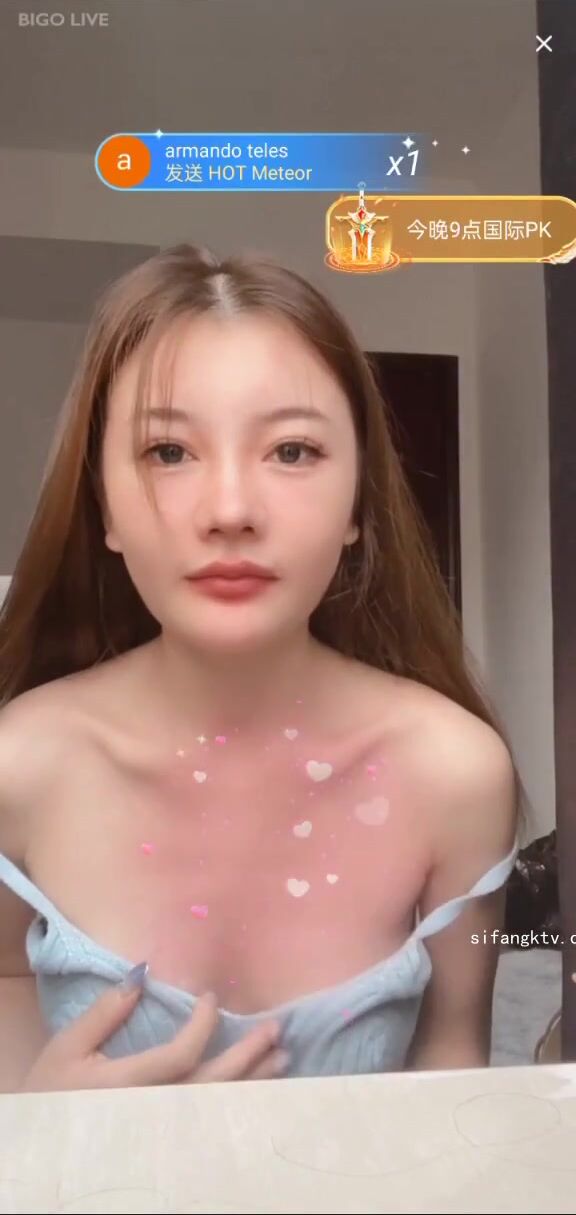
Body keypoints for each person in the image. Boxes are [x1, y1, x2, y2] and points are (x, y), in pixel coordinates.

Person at [0, 244, 518, 1093]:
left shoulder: (455, 774)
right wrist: (40, 1122)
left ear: (358, 504)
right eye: (169, 451)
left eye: (292, 451)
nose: (231, 510)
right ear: (104, 507)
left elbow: (455, 1079)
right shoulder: (19, 765)